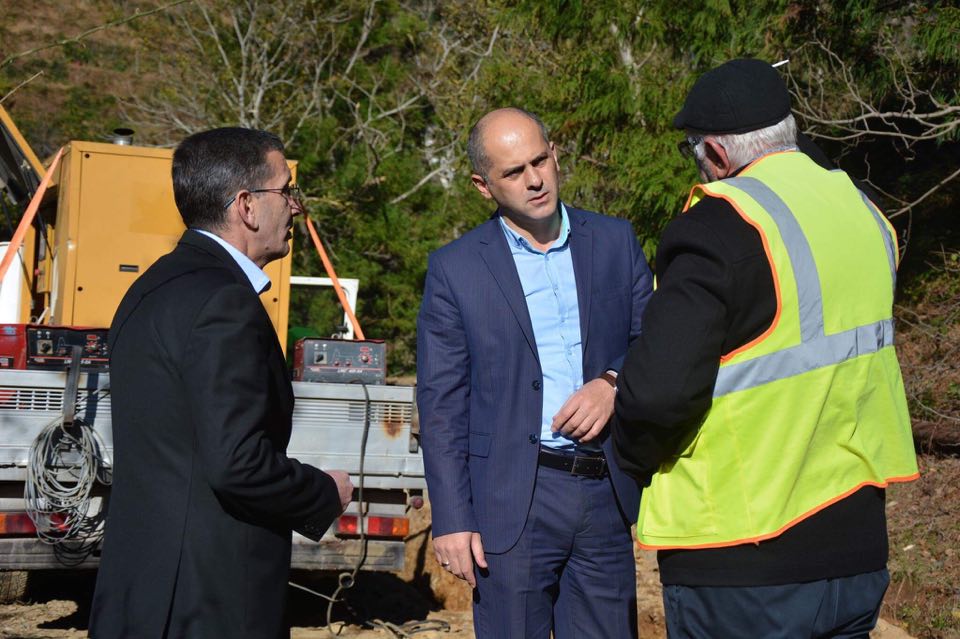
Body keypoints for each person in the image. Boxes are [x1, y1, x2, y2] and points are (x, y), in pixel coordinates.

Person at [612, 58, 919, 638]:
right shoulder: (865, 212)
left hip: (743, 562)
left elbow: (658, 396)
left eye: (693, 153)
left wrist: (629, 460)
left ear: (718, 155)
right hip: (854, 551)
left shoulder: (714, 230)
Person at [89, 128, 353, 639]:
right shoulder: (224, 303)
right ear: (247, 206)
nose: (295, 208)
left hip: (140, 590)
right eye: (286, 191)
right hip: (208, 598)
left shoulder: (149, 288)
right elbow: (237, 465)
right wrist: (322, 492)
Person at [417, 107, 653, 638]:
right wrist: (452, 518)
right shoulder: (456, 269)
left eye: (540, 160)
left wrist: (614, 382)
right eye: (514, 171)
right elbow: (441, 404)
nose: (535, 179)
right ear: (483, 185)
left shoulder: (615, 242)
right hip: (511, 502)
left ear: (555, 155)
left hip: (604, 492)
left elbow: (654, 342)